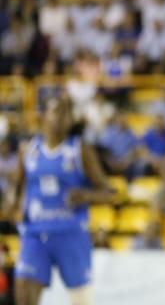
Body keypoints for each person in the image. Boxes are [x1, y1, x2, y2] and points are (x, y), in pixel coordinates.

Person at [6, 95, 117, 305]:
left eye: (67, 112)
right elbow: (16, 186)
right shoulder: (28, 150)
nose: (62, 117)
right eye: (57, 110)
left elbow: (109, 193)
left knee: (82, 301)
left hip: (71, 233)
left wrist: (86, 195)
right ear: (44, 116)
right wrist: (13, 204)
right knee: (23, 294)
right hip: (35, 233)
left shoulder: (80, 150)